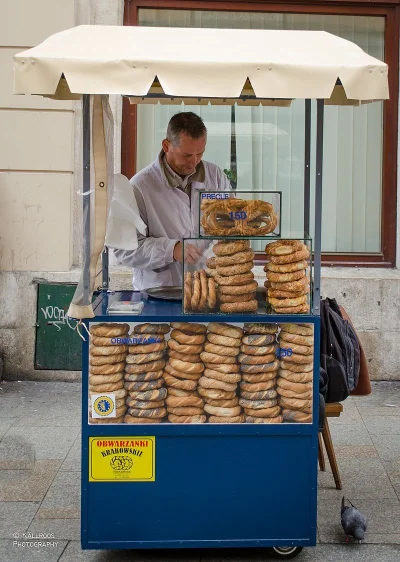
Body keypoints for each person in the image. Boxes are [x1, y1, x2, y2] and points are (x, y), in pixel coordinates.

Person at [114, 112, 231, 289]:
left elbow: (230, 223)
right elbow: (125, 249)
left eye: (199, 154)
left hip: (208, 287)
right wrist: (171, 250)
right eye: (186, 155)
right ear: (166, 145)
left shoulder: (215, 176)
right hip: (160, 291)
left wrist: (228, 241)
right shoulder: (139, 187)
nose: (194, 162)